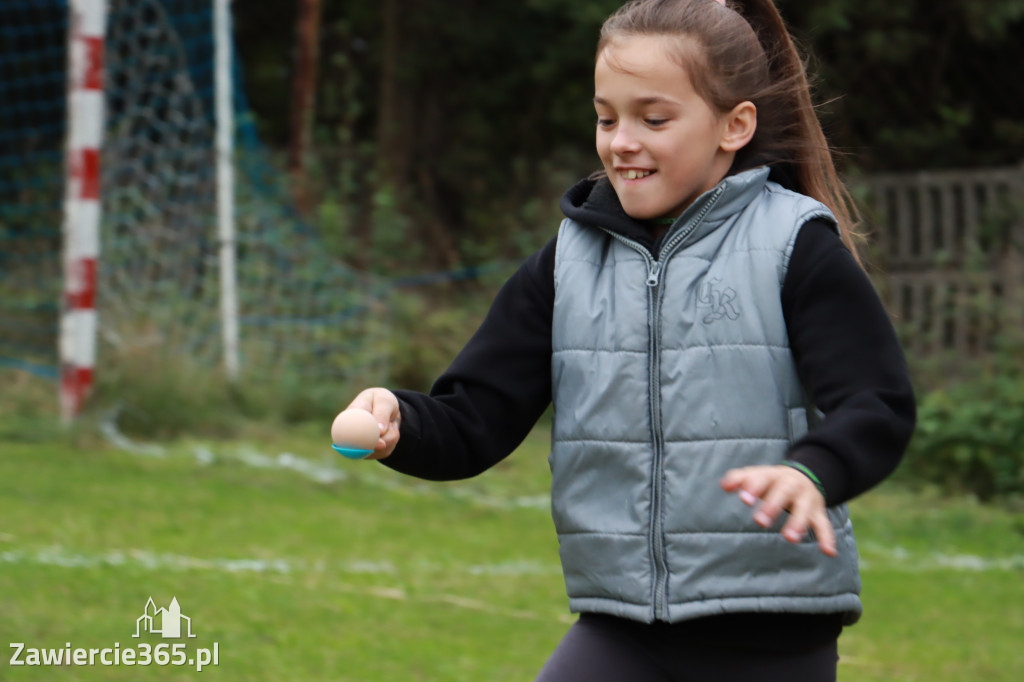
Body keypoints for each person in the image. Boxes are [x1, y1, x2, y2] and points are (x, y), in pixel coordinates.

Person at [341, 0, 916, 680]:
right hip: (620, 629)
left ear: (735, 126)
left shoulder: (795, 245)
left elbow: (875, 403)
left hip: (773, 632)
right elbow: (477, 419)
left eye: (654, 118)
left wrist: (811, 470)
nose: (620, 142)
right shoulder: (569, 261)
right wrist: (398, 420)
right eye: (606, 117)